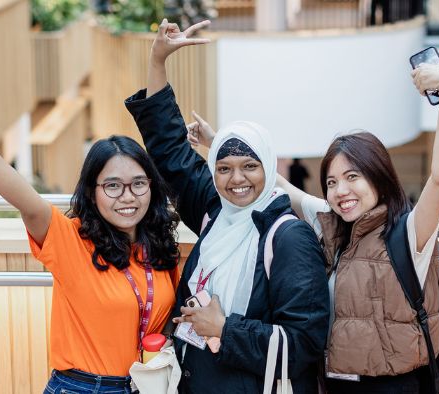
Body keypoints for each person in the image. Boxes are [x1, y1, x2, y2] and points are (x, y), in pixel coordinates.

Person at [187, 61, 439, 393]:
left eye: (352, 177)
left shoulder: (408, 234)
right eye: (331, 182)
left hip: (394, 386)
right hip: (332, 384)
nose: (341, 191)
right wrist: (220, 144)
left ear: (379, 176)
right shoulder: (331, 224)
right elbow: (278, 184)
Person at [124, 19, 330, 393]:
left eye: (250, 167)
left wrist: (225, 328)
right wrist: (157, 62)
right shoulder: (216, 212)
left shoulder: (287, 239)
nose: (237, 179)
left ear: (268, 167)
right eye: (224, 168)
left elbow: (305, 344)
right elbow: (171, 152)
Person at [0, 109, 181, 393]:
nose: (128, 197)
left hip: (146, 384)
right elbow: (28, 203)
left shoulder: (159, 246)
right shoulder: (72, 240)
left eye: (138, 184)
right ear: (93, 193)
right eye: (113, 186)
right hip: (82, 388)